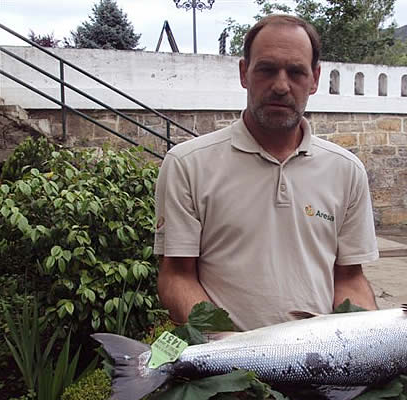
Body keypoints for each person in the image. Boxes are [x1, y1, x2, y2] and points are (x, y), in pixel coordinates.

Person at [154, 14, 379, 332]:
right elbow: (176, 276)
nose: (281, 86)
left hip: (321, 369)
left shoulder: (346, 171)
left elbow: (349, 278)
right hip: (227, 374)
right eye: (267, 69)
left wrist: (374, 343)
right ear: (245, 73)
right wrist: (230, 351)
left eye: (296, 72)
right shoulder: (187, 165)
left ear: (314, 79)